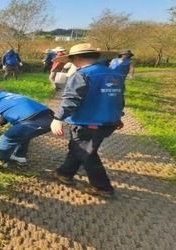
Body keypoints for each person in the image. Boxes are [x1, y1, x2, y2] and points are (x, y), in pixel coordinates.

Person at [49, 44, 125, 198]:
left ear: (76, 58)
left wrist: (57, 118)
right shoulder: (115, 74)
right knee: (78, 146)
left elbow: (71, 99)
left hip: (88, 122)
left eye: (72, 59)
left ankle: (102, 187)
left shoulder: (82, 75)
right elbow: (118, 99)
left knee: (86, 152)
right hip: (108, 122)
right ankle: (65, 173)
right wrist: (117, 116)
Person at [0, 86, 53, 167]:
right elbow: (5, 115)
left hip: (31, 120)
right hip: (50, 119)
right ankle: (19, 156)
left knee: (5, 139)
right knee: (23, 135)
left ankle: (1, 162)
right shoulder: (3, 96)